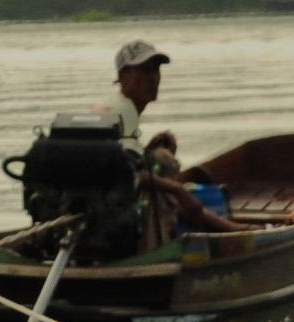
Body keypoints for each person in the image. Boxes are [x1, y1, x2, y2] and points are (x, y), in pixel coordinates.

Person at [99, 35, 234, 236]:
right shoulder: (121, 112)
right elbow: (129, 175)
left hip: (109, 199)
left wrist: (151, 149)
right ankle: (226, 229)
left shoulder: (119, 106)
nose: (152, 78)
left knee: (161, 153)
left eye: (155, 70)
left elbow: (121, 161)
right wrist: (178, 191)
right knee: (163, 164)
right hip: (112, 208)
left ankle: (214, 226)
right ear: (123, 76)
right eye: (144, 71)